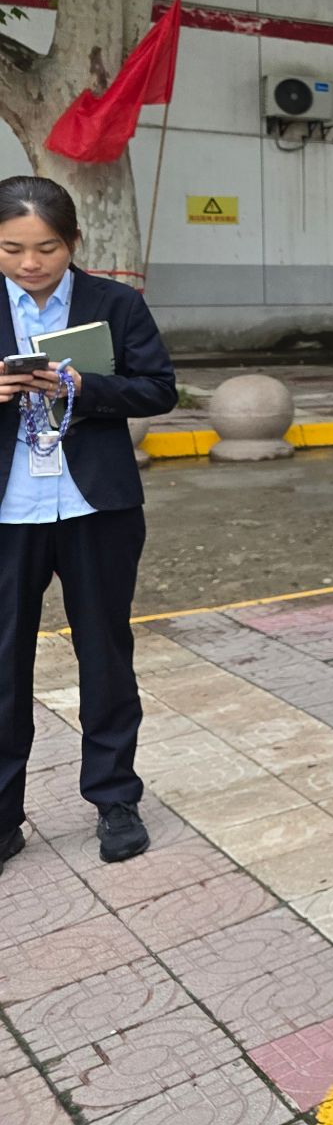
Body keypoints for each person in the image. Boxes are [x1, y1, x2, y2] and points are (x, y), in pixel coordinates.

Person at [0, 177, 177, 873]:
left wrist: (83, 387)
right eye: (12, 248)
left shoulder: (115, 303)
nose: (30, 263)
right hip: (9, 513)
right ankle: (4, 814)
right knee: (4, 661)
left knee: (105, 653)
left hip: (95, 507)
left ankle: (114, 799)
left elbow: (158, 388)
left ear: (73, 241)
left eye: (46, 248)